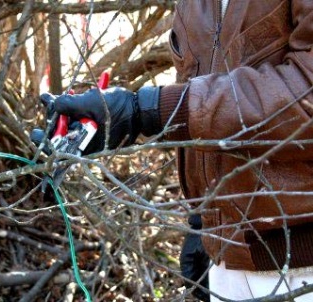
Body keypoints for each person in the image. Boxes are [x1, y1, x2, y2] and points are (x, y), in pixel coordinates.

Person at [39, 1, 313, 301]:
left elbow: (306, 93)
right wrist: (202, 220)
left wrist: (150, 111)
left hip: (302, 264)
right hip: (228, 257)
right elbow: (203, 83)